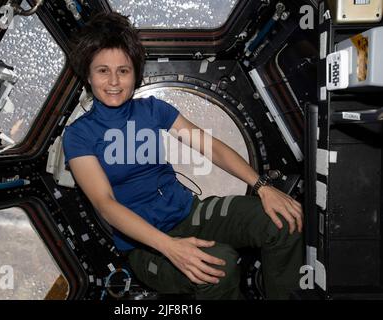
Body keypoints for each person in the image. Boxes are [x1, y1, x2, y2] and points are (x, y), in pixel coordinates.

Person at [63, 11, 303, 300]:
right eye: (103, 70)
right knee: (219, 266)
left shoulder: (153, 110)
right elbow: (105, 204)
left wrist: (262, 187)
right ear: (88, 75)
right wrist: (168, 247)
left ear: (135, 74)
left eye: (123, 70)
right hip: (143, 243)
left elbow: (210, 147)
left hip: (189, 212)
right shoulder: (79, 135)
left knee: (284, 219)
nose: (114, 81)